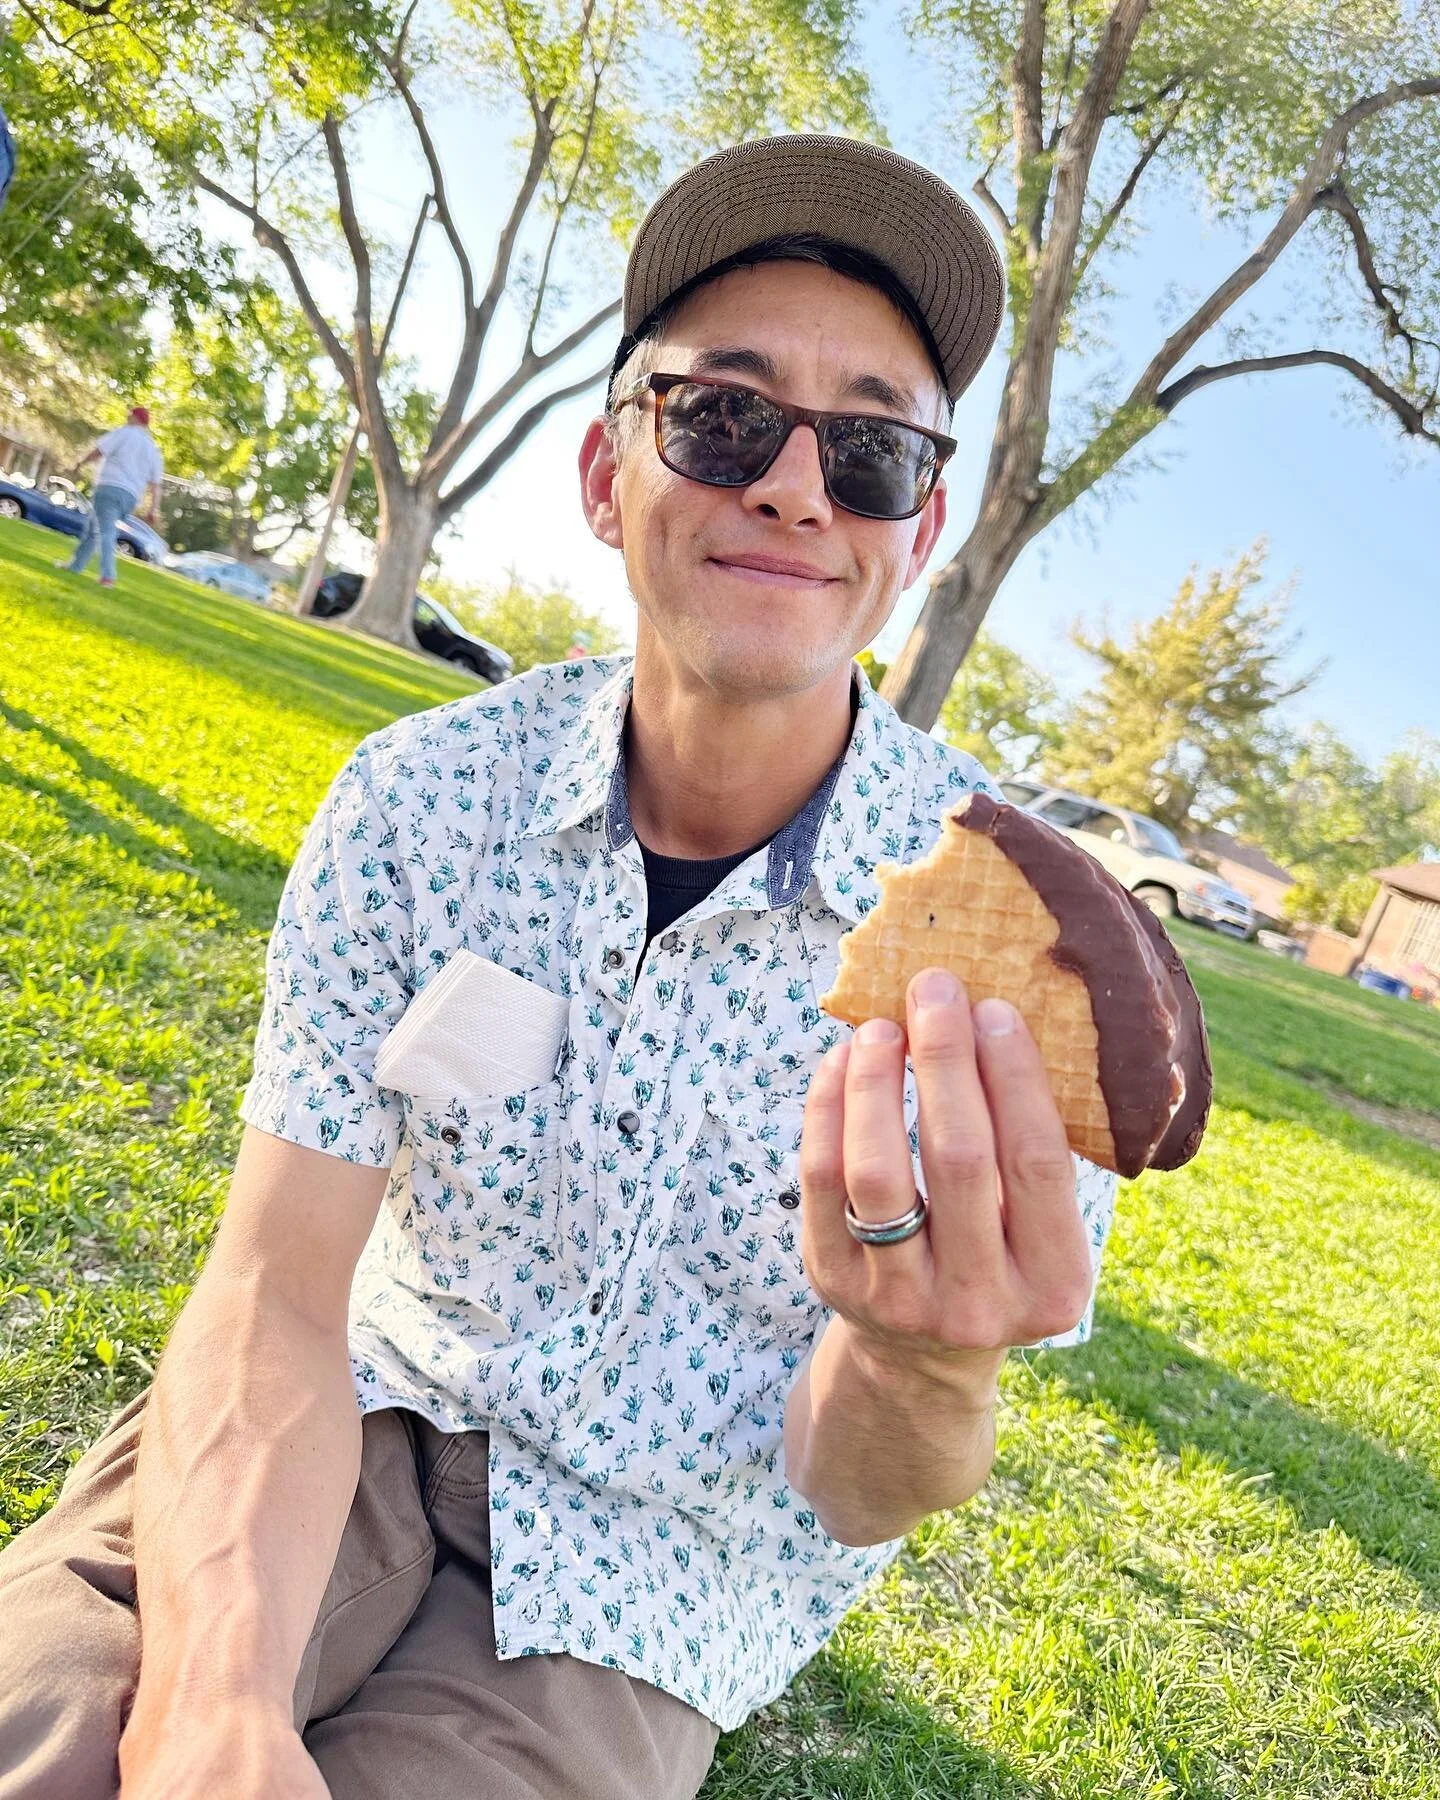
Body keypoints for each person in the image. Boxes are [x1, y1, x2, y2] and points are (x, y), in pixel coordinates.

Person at [0, 136, 1117, 1799]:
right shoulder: (419, 801)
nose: (796, 486)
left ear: (920, 524)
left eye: (871, 447)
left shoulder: (1016, 961)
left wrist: (925, 1358)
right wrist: (207, 1707)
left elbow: (865, 1484)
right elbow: (280, 1286)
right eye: (725, 414)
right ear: (609, 473)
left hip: (660, 1582)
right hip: (351, 1414)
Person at [59, 405, 163, 587]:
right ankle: (75, 566)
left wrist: (79, 464)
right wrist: (153, 508)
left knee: (105, 532)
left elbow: (99, 450)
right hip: (130, 497)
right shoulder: (152, 449)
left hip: (110, 488)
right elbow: (155, 484)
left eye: (130, 414)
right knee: (93, 529)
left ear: (136, 418)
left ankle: (108, 576)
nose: (127, 417)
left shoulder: (124, 433)